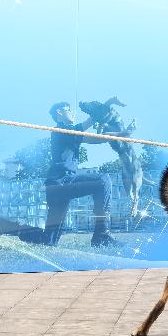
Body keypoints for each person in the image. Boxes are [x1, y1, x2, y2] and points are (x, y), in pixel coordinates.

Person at [42, 102, 124, 247]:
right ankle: (102, 235)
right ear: (59, 112)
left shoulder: (69, 134)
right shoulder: (61, 130)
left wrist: (121, 135)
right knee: (103, 180)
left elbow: (94, 139)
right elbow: (85, 126)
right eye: (69, 110)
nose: (73, 113)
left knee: (49, 239)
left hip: (56, 187)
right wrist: (96, 115)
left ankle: (1, 227)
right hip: (61, 182)